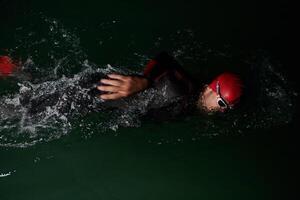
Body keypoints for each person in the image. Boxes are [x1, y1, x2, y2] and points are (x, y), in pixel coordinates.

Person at [96, 52, 244, 114]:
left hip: (110, 108)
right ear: (210, 90)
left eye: (228, 108)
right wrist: (145, 81)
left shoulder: (193, 98)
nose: (223, 111)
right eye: (222, 103)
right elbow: (164, 58)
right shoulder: (180, 90)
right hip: (98, 95)